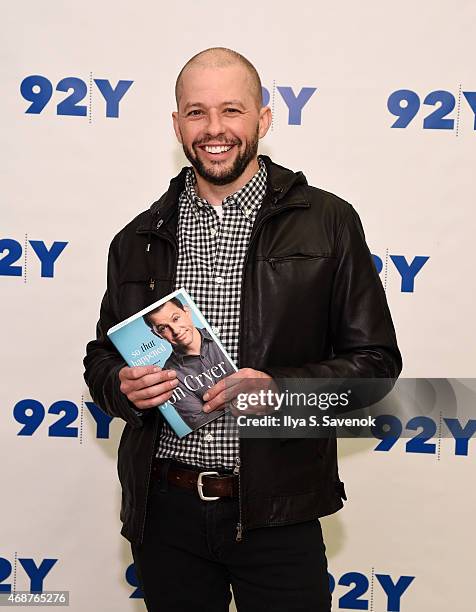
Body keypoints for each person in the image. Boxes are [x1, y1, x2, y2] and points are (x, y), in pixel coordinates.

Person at [84, 47, 402, 612]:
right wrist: (122, 388)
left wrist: (279, 390)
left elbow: (375, 368)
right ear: (177, 123)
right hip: (165, 512)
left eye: (232, 110)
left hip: (278, 513)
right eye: (197, 112)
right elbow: (102, 356)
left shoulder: (328, 222)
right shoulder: (138, 237)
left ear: (263, 118)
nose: (214, 130)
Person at [143, 297, 236, 429]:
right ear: (157, 334)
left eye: (176, 318)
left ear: (187, 312)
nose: (175, 330)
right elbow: (200, 421)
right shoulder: (169, 376)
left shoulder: (225, 334)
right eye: (163, 328)